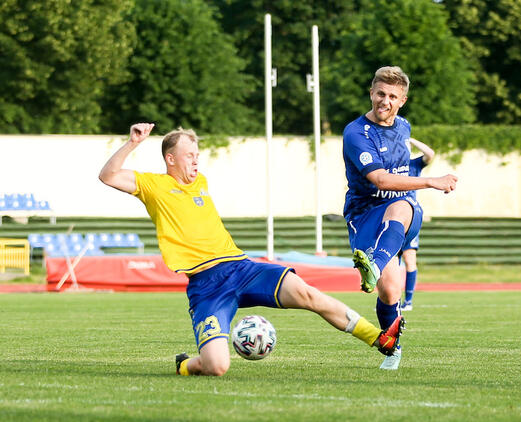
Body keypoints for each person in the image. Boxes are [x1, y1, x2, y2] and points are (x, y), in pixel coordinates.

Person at [99, 122, 404, 377]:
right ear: (170, 159)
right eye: (189, 156)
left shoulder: (200, 181)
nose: (196, 161)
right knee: (217, 367)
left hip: (241, 267)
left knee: (308, 293)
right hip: (206, 287)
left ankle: (380, 339)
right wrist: (132, 143)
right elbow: (108, 176)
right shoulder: (153, 185)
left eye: (197, 155)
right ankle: (186, 365)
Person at [342, 66, 457, 370]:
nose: (385, 101)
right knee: (391, 290)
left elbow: (401, 178)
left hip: (400, 209)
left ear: (402, 100)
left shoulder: (404, 127)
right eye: (380, 94)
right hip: (364, 213)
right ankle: (393, 349)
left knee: (404, 205)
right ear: (371, 93)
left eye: (393, 96)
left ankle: (375, 264)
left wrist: (423, 180)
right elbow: (380, 179)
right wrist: (431, 181)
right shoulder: (356, 133)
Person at [399, 138, 435, 312]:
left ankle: (408, 301)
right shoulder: (389, 167)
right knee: (390, 263)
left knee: (409, 259)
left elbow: (430, 154)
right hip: (391, 217)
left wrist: (410, 140)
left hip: (410, 218)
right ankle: (391, 301)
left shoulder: (414, 165)